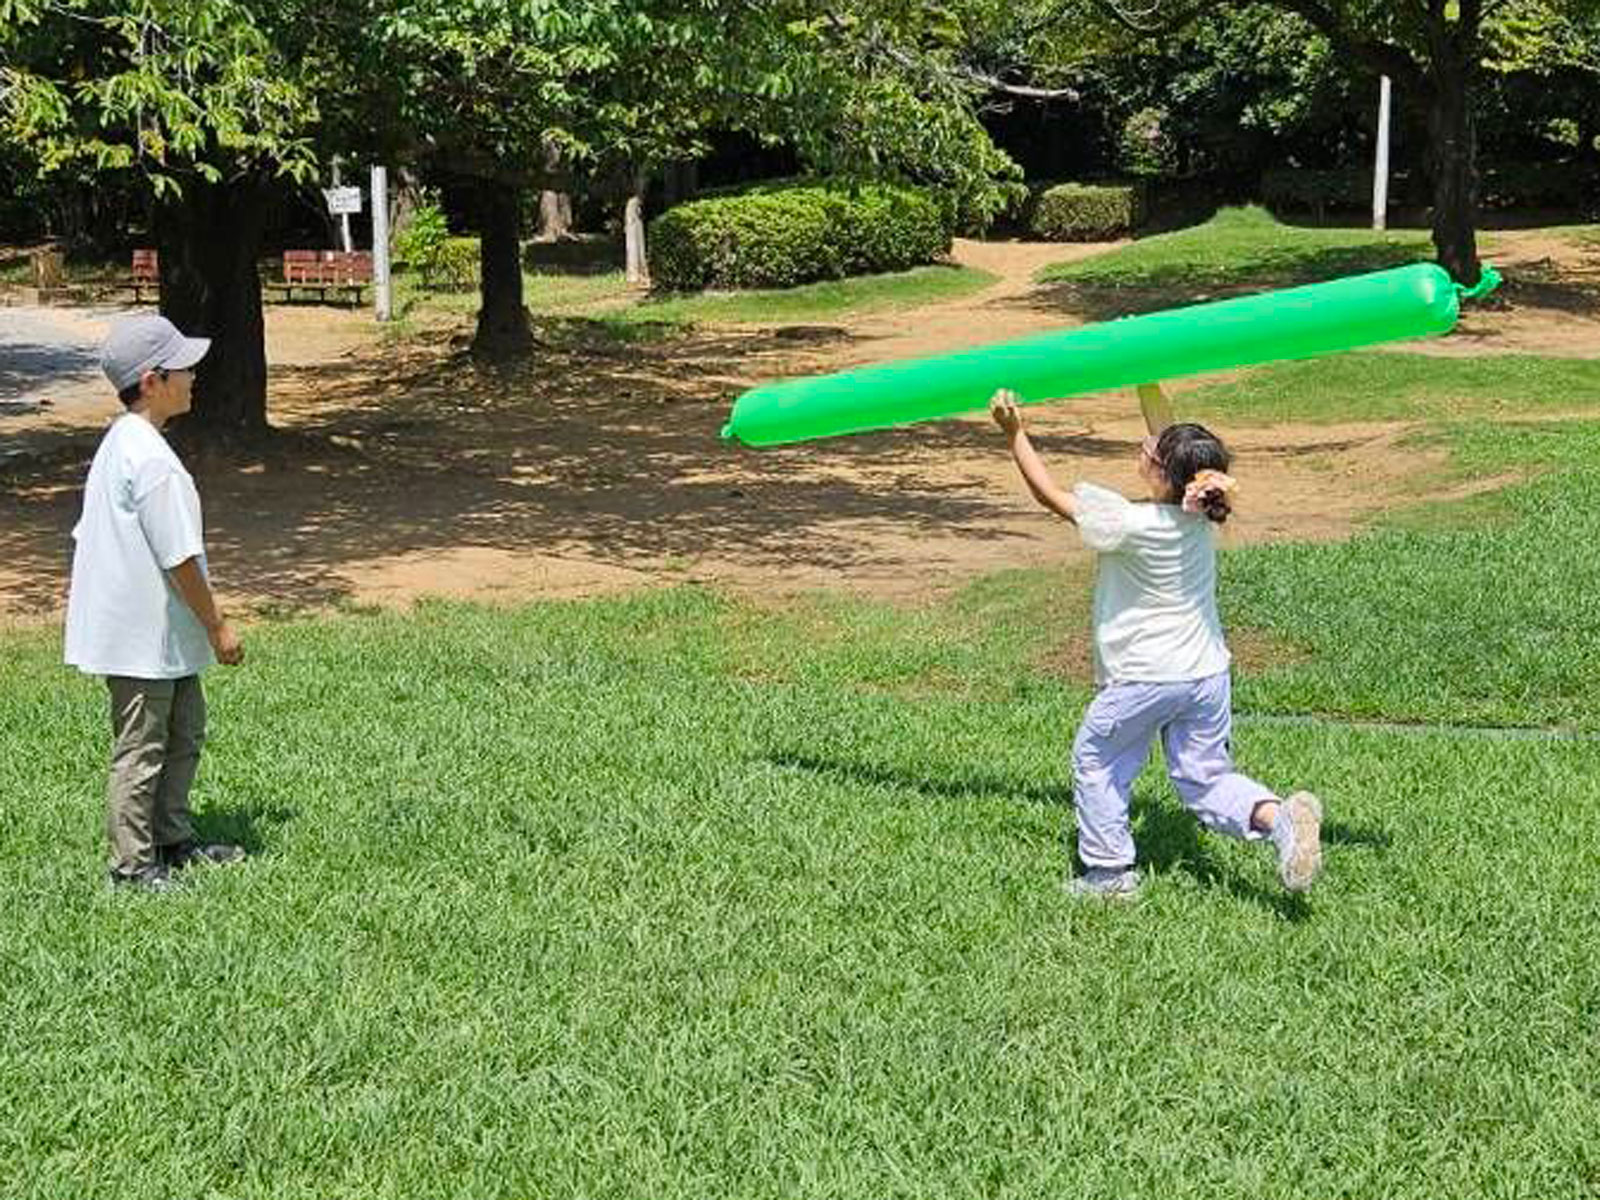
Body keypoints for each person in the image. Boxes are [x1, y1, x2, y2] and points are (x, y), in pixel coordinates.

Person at [991, 383, 1321, 899]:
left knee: (1098, 760)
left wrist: (1015, 433)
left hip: (1144, 678)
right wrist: (1145, 374)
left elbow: (1049, 495)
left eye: (1153, 449)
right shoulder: (1200, 515)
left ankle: (1109, 876)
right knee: (1206, 779)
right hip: (1206, 675)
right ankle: (1280, 821)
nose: (1145, 444)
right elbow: (1168, 438)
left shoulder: (1129, 523)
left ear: (1168, 476)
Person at [65, 314, 247, 893]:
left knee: (183, 733)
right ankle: (133, 867)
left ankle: (172, 838)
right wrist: (218, 625)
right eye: (182, 369)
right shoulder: (150, 461)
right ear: (151, 382)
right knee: (142, 750)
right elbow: (180, 558)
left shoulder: (124, 442)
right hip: (142, 638)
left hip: (158, 635)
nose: (193, 377)